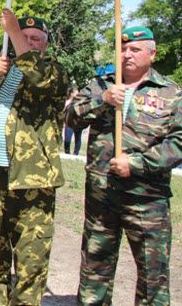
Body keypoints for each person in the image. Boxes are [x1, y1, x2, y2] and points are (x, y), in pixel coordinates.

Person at [65, 26, 181, 305]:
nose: (127, 54)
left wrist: (138, 163)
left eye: (135, 49)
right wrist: (102, 101)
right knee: (95, 271)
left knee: (153, 277)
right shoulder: (101, 84)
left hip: (147, 200)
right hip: (102, 197)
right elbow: (71, 118)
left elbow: (178, 142)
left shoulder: (170, 92)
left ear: (151, 54)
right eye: (123, 48)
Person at [0, 11, 69, 306]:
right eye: (23, 37)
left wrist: (14, 32)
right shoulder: (4, 69)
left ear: (45, 46)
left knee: (31, 255)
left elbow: (40, 77)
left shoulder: (54, 71)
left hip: (31, 180)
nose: (28, 42)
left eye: (35, 39)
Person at [63, 88, 82, 155]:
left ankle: (76, 153)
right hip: (69, 123)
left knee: (78, 138)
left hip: (78, 123)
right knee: (67, 139)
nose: (78, 93)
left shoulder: (81, 102)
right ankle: (67, 152)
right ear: (71, 94)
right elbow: (63, 113)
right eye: (76, 92)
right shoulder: (67, 102)